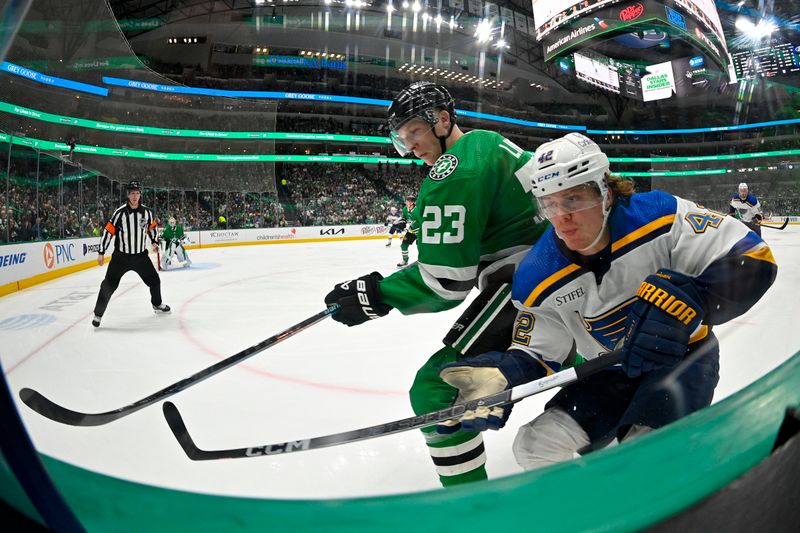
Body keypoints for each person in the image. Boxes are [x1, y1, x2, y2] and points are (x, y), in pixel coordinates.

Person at [435, 133, 777, 471]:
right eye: (550, 204)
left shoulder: (660, 215)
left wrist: (698, 298)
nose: (561, 217)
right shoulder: (536, 273)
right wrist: (503, 373)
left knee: (644, 456)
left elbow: (754, 257)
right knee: (535, 446)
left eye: (572, 199)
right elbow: (540, 350)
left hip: (682, 358)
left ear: (605, 192)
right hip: (609, 371)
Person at [324, 81, 550, 486]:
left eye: (414, 132)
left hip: (531, 279)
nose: (410, 146)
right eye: (402, 138)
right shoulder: (486, 142)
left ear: (443, 120)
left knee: (437, 388)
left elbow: (446, 282)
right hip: (557, 265)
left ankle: (469, 505)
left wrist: (376, 294)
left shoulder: (454, 171)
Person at [92, 181, 171, 327]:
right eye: (132, 193)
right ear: (128, 195)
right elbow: (108, 231)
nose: (135, 196)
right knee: (108, 285)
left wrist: (154, 240)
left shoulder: (147, 212)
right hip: (121, 257)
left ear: (140, 194)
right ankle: (98, 314)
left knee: (154, 281)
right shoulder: (120, 213)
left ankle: (157, 304)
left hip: (140, 256)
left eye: (137, 193)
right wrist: (101, 251)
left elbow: (152, 227)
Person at [397, 195, 418, 267]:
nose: (406, 202)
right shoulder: (405, 209)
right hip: (411, 231)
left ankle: (422, 261)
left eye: (408, 201)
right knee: (403, 245)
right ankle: (405, 260)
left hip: (420, 232)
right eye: (406, 200)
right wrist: (402, 223)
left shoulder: (418, 210)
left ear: (412, 203)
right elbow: (404, 218)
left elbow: (423, 222)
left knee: (420, 247)